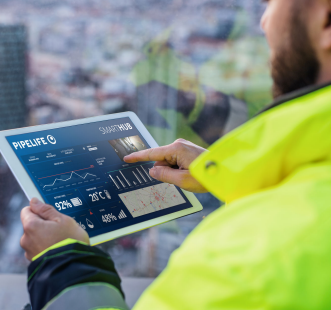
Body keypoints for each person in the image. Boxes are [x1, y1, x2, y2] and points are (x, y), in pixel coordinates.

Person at [20, 0, 331, 309]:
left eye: (273, 2)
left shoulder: (251, 263)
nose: (263, 22)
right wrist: (227, 175)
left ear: (326, 20)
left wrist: (62, 264)